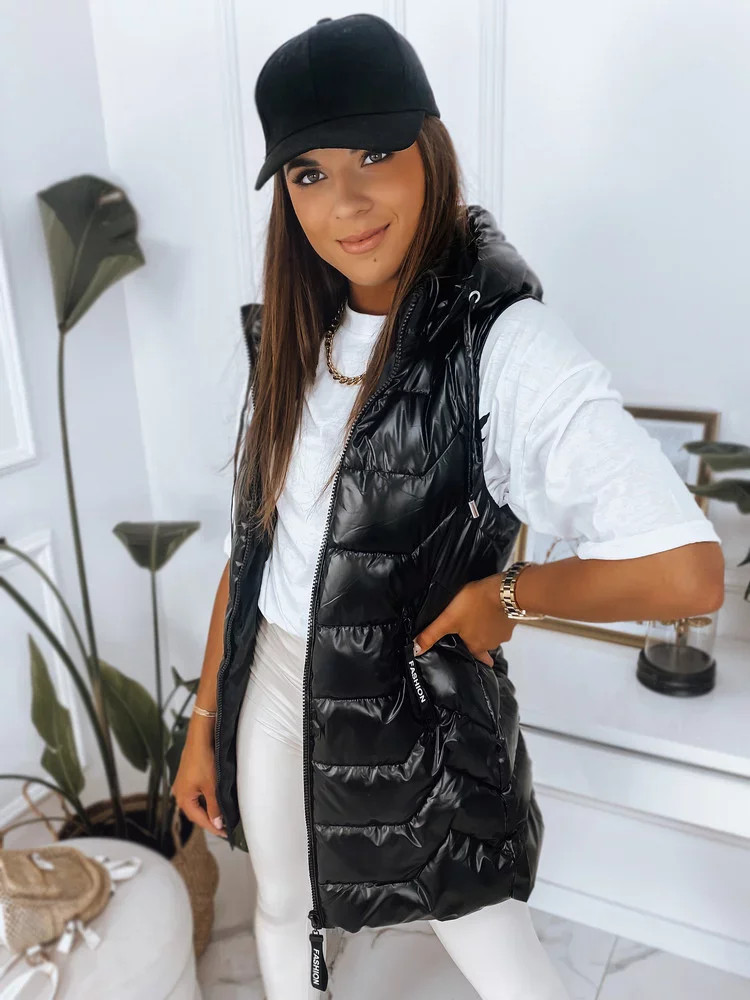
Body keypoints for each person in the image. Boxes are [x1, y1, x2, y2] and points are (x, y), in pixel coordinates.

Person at [171, 14, 724, 1000]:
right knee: (283, 910)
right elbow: (252, 551)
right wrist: (205, 716)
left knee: (493, 945)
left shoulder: (503, 344)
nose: (346, 201)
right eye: (308, 172)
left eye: (374, 154)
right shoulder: (293, 333)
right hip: (276, 680)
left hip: (415, 700)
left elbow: (687, 572)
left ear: (430, 145)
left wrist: (506, 596)